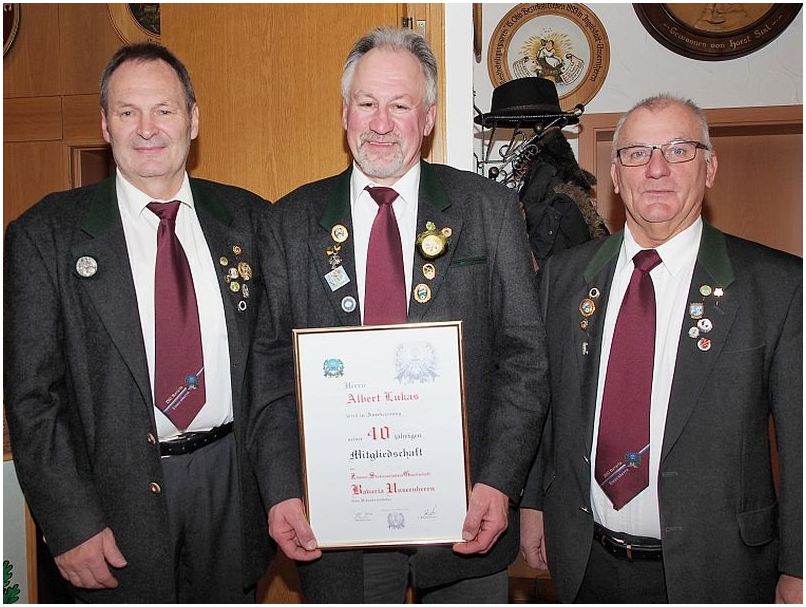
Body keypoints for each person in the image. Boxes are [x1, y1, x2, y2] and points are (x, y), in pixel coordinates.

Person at [247, 26, 549, 603]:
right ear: (344, 112)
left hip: (469, 519)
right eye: (366, 104)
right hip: (335, 528)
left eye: (400, 106)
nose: (380, 123)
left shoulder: (488, 210)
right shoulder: (288, 222)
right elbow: (268, 372)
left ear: (428, 117)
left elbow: (525, 360)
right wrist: (281, 489)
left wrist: (499, 481)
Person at [4, 42, 273, 602]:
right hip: (110, 503)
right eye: (128, 112)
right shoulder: (44, 235)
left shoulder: (251, 219)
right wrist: (69, 522)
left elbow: (278, 366)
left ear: (193, 120)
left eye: (164, 110)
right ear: (106, 125)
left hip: (231, 488)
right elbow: (32, 398)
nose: (147, 129)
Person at [519, 94, 802, 603]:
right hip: (585, 563)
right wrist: (534, 503)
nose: (656, 169)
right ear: (615, 175)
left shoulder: (777, 285)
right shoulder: (564, 277)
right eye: (637, 153)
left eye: (678, 150)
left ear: (709, 168)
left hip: (720, 571)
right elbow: (547, 403)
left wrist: (799, 565)